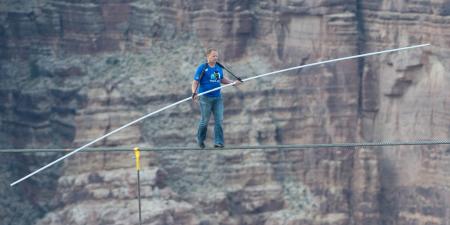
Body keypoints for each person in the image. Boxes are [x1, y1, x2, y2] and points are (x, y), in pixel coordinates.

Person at [191, 48, 241, 149]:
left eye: (216, 56)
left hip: (217, 98)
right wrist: (194, 92)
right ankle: (200, 140)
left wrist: (232, 83)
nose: (215, 58)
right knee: (205, 121)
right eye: (213, 56)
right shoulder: (202, 68)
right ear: (208, 56)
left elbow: (221, 79)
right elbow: (195, 82)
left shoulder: (218, 68)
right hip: (205, 98)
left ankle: (218, 142)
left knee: (219, 120)